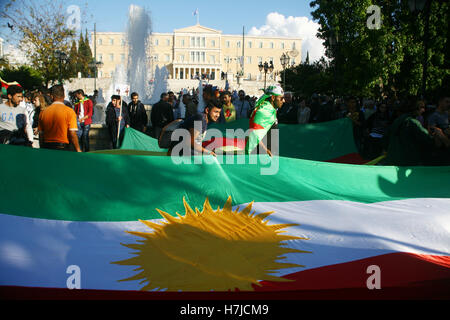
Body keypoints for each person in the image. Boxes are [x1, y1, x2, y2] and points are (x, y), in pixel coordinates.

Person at [383, 98, 449, 166]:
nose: (424, 110)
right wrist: (439, 134)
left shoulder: (398, 119)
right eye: (422, 108)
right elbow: (427, 139)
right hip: (406, 160)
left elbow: (387, 136)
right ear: (415, 108)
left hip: (393, 157)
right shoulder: (413, 122)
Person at [38, 85, 81, 152]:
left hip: (47, 147)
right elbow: (72, 133)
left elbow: (41, 134)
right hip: (63, 147)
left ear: (51, 96)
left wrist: (42, 148)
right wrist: (78, 149)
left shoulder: (43, 112)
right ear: (64, 96)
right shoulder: (69, 111)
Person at [245, 85, 285, 156]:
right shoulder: (264, 111)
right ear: (273, 97)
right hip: (261, 155)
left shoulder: (270, 109)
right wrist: (265, 150)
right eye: (281, 98)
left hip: (267, 153)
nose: (283, 101)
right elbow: (254, 133)